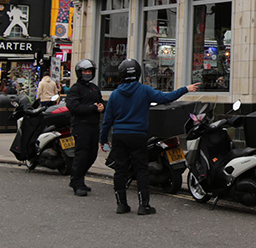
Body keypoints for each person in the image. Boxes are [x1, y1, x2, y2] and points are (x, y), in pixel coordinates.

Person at [99, 59, 198, 215]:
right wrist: (185, 89)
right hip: (138, 135)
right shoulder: (144, 90)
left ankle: (121, 205)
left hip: (119, 135)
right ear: (138, 73)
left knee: (120, 171)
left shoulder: (115, 94)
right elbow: (167, 98)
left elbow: (107, 121)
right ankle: (144, 206)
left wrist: (103, 140)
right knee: (141, 170)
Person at [65, 59, 104, 197]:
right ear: (79, 73)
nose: (87, 74)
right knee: (81, 155)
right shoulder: (75, 89)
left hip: (94, 125)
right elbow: (73, 107)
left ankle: (78, 178)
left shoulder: (94, 88)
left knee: (92, 155)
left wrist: (102, 106)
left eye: (89, 71)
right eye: (85, 71)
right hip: (81, 126)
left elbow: (100, 102)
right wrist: (93, 108)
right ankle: (77, 182)